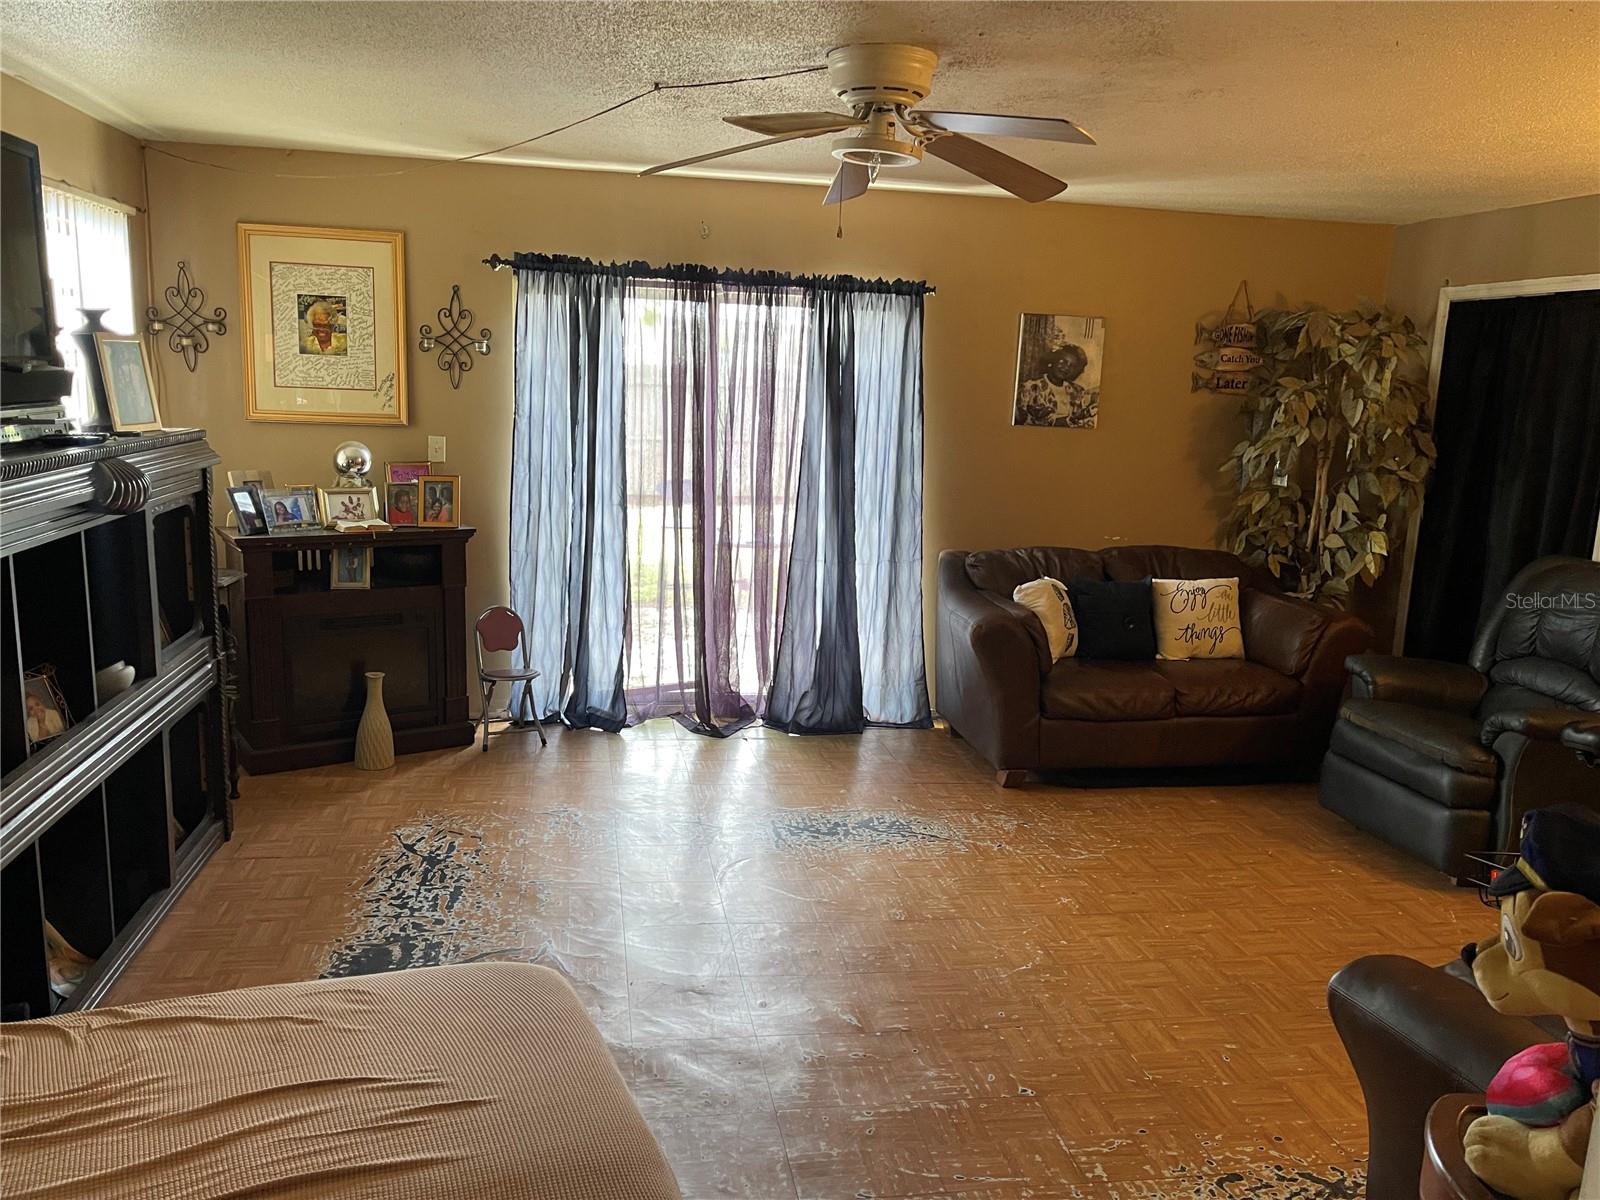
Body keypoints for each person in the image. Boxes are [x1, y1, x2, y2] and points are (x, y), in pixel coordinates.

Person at [1016, 343, 1097, 427]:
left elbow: (1085, 420)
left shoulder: (1078, 391)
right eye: (1063, 361)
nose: (1066, 367)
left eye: (1072, 366)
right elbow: (1019, 421)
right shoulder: (1030, 387)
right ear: (1053, 359)